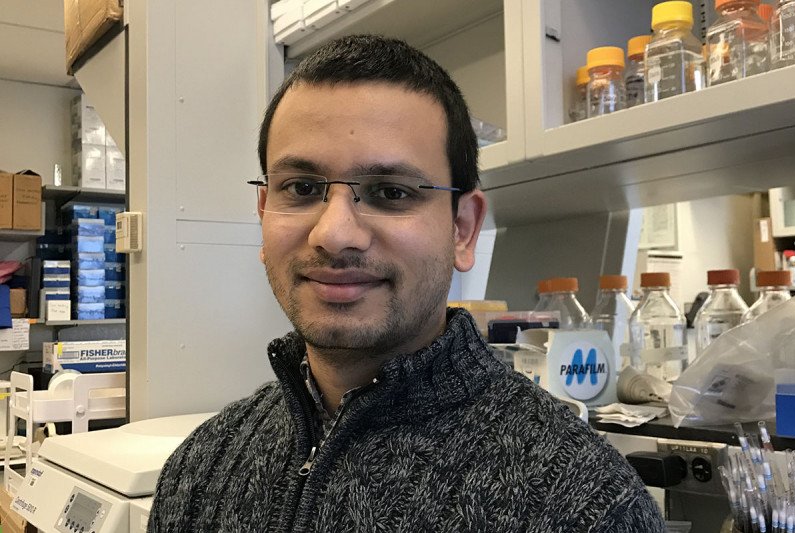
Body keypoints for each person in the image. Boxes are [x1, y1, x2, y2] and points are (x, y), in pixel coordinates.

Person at [149, 35, 666, 532]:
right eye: (301, 188)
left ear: (463, 228)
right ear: (264, 212)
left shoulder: (585, 504)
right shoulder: (200, 469)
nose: (334, 234)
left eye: (391, 192)